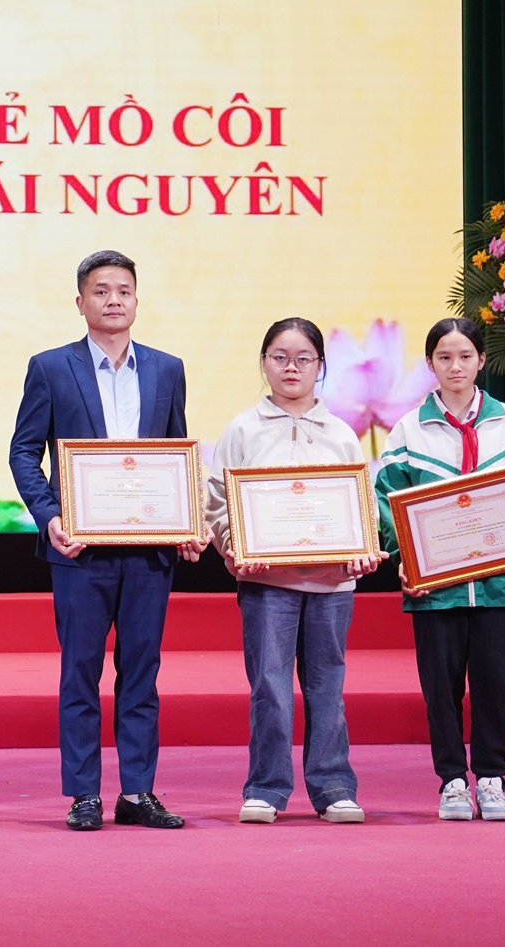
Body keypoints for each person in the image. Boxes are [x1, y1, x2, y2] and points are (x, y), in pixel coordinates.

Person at [8, 249, 202, 832]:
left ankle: (138, 791)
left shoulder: (167, 369)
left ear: (136, 300)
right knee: (80, 673)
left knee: (142, 672)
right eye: (101, 291)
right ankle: (85, 794)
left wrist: (186, 522)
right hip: (79, 550)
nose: (113, 300)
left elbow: (176, 454)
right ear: (81, 302)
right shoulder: (50, 367)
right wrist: (49, 516)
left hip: (148, 552)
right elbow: (24, 452)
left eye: (123, 290)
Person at [206, 318, 384, 824]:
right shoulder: (242, 429)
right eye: (280, 357)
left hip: (332, 584)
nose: (291, 367)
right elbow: (218, 501)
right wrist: (236, 546)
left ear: (320, 366)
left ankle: (334, 787)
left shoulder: (342, 433)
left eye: (303, 358)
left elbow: (363, 504)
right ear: (264, 363)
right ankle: (266, 787)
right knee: (269, 687)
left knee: (328, 688)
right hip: (267, 582)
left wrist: (363, 548)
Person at [375, 316, 505, 821]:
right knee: (441, 689)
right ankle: (452, 781)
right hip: (436, 587)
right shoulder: (409, 429)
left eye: (465, 356)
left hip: (500, 584)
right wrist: (407, 559)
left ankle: (492, 779)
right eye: (445, 357)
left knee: (497, 686)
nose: (456, 366)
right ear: (430, 363)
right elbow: (387, 500)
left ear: (481, 361)